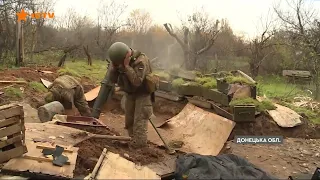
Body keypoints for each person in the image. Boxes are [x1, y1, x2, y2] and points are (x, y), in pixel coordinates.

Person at [107, 42, 157, 148]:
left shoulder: (140, 61)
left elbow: (137, 81)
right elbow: (112, 80)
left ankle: (140, 148)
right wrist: (114, 68)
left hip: (142, 95)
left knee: (139, 122)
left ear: (127, 55)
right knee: (129, 122)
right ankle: (132, 142)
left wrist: (126, 67)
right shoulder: (119, 61)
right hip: (130, 94)